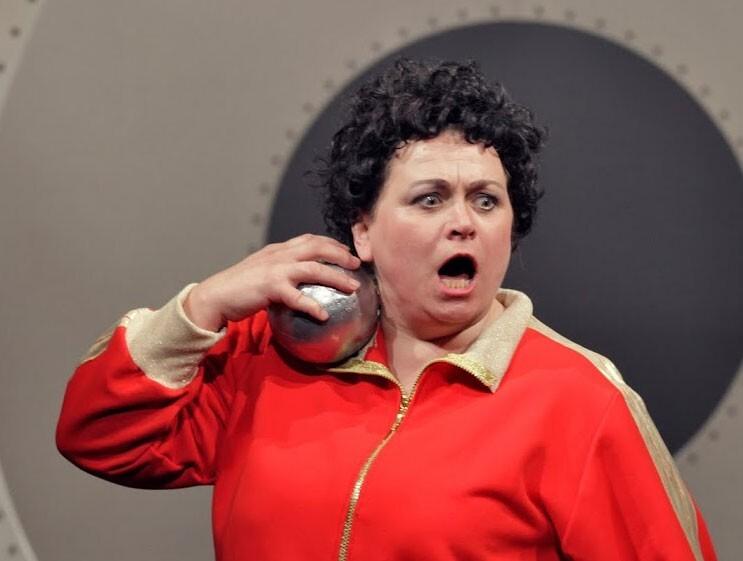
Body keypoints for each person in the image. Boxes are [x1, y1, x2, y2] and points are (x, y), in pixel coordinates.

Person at [56, 58, 717, 561]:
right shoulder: (273, 350)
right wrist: (204, 304)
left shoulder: (579, 400)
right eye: (430, 198)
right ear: (363, 229)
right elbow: (99, 435)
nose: (463, 222)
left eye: (486, 200)